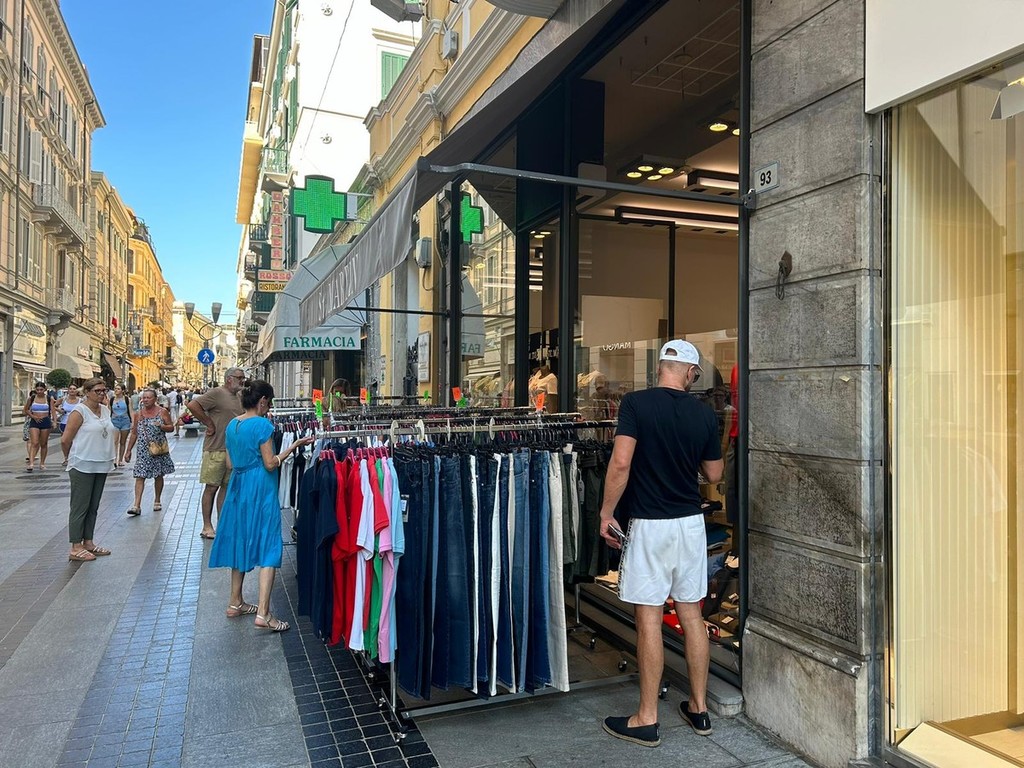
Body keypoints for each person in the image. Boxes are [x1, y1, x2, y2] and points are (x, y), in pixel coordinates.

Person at [599, 339, 724, 748]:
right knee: (691, 615)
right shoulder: (703, 413)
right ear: (690, 372)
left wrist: (607, 512)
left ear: (660, 368)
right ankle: (699, 709)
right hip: (689, 525)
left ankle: (646, 718)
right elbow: (714, 474)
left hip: (650, 525)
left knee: (649, 619)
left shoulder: (636, 404)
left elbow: (621, 462)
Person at [208, 379, 313, 631]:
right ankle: (264, 614)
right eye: (270, 402)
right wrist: (293, 446)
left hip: (238, 485)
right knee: (269, 545)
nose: (270, 407)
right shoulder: (263, 425)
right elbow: (270, 463)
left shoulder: (233, 424)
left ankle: (235, 602)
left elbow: (230, 464)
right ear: (263, 401)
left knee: (240, 540)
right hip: (260, 487)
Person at [186, 367, 245, 539]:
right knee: (211, 487)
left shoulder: (240, 395)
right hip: (215, 448)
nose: (242, 380)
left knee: (226, 487)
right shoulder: (217, 393)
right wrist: (209, 423)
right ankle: (207, 525)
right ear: (229, 379)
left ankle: (222, 523)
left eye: (243, 377)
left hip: (232, 449)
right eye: (239, 377)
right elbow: (193, 405)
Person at [62, 378, 116, 561]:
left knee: (93, 506)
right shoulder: (79, 411)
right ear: (86, 392)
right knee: (80, 506)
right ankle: (75, 546)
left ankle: (88, 542)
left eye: (104, 390)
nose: (101, 394)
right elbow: (65, 440)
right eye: (97, 391)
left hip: (101, 463)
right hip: (82, 463)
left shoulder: (105, 410)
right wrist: (68, 457)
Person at [123, 388, 175, 515]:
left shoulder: (162, 412)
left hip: (158, 449)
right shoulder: (138, 414)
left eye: (148, 397)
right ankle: (136, 505)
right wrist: (128, 450)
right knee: (140, 475)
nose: (145, 400)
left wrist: (161, 426)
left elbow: (171, 428)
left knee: (159, 474)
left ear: (155, 399)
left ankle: (157, 500)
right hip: (143, 450)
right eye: (144, 398)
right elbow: (134, 433)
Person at [23, 381, 55, 471]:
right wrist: (33, 416)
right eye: (37, 390)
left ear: (45, 389)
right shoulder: (32, 398)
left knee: (44, 443)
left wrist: (55, 421)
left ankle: (42, 463)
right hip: (34, 421)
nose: (39, 391)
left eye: (41, 389)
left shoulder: (49, 399)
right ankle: (31, 463)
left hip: (45, 421)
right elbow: (26, 409)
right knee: (34, 442)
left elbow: (53, 410)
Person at [56, 384, 83, 466]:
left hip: (76, 423)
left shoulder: (81, 401)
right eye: (70, 389)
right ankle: (66, 457)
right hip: (65, 422)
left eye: (74, 389)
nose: (72, 390)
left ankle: (74, 457)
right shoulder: (63, 399)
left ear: (77, 391)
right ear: (68, 390)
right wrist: (60, 411)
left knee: (75, 441)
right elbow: (53, 406)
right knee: (64, 441)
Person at [107, 383, 133, 467]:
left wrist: (132, 422)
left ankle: (120, 460)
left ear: (122, 390)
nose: (116, 390)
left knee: (123, 442)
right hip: (114, 421)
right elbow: (109, 411)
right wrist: (107, 421)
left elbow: (131, 411)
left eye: (118, 389)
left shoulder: (127, 399)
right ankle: (114, 459)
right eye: (115, 388)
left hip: (125, 421)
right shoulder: (112, 400)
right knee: (115, 441)